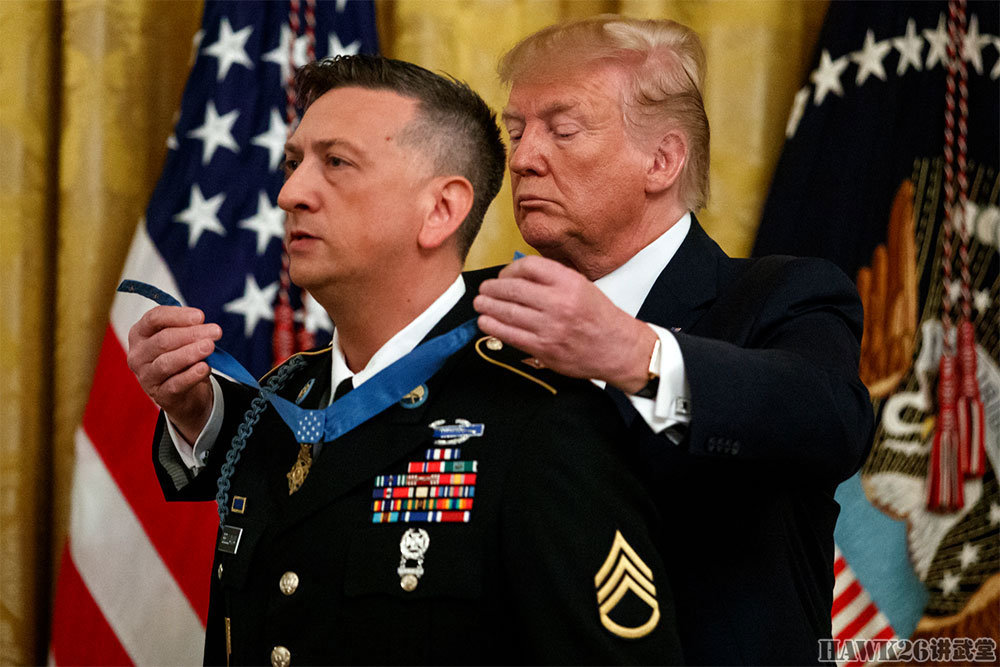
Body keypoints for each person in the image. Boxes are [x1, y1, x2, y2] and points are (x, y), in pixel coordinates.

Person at [126, 55, 682, 666]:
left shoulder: (541, 417)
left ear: (441, 210)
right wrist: (192, 410)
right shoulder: (283, 395)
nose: (290, 194)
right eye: (293, 163)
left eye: (337, 163)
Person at [472, 16, 874, 666]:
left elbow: (830, 419)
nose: (522, 159)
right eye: (516, 132)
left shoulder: (781, 296)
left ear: (661, 160)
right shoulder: (476, 313)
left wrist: (633, 353)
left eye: (562, 131)